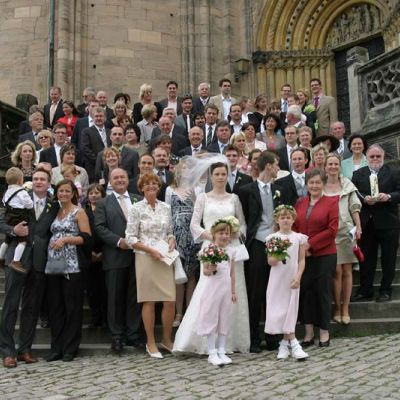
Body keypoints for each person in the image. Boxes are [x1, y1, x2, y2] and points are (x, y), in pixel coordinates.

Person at [174, 159, 250, 354]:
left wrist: (234, 234)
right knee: (209, 291)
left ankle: (229, 341)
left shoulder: (234, 198)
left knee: (232, 289)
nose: (220, 177)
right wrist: (213, 237)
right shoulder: (203, 198)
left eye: (223, 174)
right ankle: (204, 341)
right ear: (211, 176)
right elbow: (194, 225)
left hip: (231, 249)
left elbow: (242, 224)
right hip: (211, 249)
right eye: (217, 174)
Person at [0, 169, 59, 368]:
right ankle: (7, 351)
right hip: (17, 258)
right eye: (35, 179)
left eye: (42, 179)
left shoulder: (54, 204)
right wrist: (12, 230)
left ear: (49, 183)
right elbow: (2, 220)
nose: (38, 182)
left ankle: (24, 349)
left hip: (40, 261)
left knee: (31, 307)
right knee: (10, 305)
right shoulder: (19, 197)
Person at [238, 151, 287, 353]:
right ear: (268, 166)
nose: (278, 168)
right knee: (256, 291)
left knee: (274, 290)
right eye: (276, 165)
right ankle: (254, 338)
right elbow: (244, 218)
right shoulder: (246, 190)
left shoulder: (280, 189)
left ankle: (273, 337)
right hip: (257, 244)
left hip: (276, 242)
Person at [125, 172, 176, 358]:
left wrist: (171, 240)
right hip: (145, 257)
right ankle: (151, 342)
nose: (151, 186)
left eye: (155, 183)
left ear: (159, 187)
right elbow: (130, 238)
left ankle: (167, 340)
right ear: (141, 188)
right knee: (149, 300)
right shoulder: (136, 208)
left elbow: (170, 231)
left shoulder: (166, 207)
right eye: (147, 184)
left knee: (170, 300)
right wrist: (150, 250)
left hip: (164, 257)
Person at [95, 168, 144, 352]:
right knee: (115, 297)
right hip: (115, 255)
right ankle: (117, 336)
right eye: (116, 178)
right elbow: (100, 227)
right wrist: (118, 241)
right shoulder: (103, 203)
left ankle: (133, 334)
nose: (120, 180)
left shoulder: (139, 199)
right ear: (110, 181)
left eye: (122, 176)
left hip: (138, 256)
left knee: (134, 297)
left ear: (128, 179)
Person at [45, 179, 92, 362]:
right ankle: (56, 348)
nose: (63, 194)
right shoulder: (55, 211)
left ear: (73, 193)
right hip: (54, 265)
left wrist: (66, 240)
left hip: (73, 266)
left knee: (72, 307)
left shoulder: (79, 212)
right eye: (61, 191)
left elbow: (86, 237)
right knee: (55, 307)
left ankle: (70, 348)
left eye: (67, 191)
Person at [293, 168, 339, 348]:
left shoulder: (331, 202)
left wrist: (310, 244)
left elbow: (332, 230)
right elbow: (295, 225)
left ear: (323, 184)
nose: (314, 186)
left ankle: (324, 331)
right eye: (311, 182)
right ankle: (309, 333)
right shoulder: (300, 203)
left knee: (322, 292)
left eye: (318, 182)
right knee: (306, 293)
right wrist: (300, 245)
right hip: (303, 256)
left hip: (324, 254)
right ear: (306, 184)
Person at [352, 144, 400, 302]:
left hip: (388, 222)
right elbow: (354, 194)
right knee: (366, 259)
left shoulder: (394, 172)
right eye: (372, 156)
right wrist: (364, 199)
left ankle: (385, 290)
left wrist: (389, 196)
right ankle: (365, 290)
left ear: (383, 157)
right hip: (367, 223)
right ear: (366, 158)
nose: (375, 159)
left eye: (378, 156)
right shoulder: (358, 174)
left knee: (388, 258)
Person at [265, 205, 309, 360]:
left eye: (288, 217)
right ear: (277, 220)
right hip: (277, 279)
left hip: (292, 278)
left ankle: (285, 345)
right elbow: (271, 262)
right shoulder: (272, 238)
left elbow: (301, 260)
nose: (285, 220)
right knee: (279, 309)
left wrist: (298, 277)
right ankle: (293, 343)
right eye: (282, 218)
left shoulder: (299, 238)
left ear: (293, 220)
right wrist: (278, 253)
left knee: (290, 309)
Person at [324, 153, 361, 324]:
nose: (333, 167)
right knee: (336, 271)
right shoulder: (320, 184)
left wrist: (358, 226)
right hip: (329, 233)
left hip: (346, 232)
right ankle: (337, 308)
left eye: (335, 164)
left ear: (340, 166)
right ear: (325, 167)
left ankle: (345, 308)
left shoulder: (347, 183)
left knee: (347, 271)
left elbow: (354, 207)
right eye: (330, 164)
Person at [165, 160, 200, 327]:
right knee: (179, 275)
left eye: (187, 168)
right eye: (181, 168)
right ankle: (178, 313)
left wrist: (193, 195)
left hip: (191, 233)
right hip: (177, 234)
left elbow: (199, 210)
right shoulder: (169, 189)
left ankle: (190, 313)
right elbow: (167, 212)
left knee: (191, 274)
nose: (184, 171)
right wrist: (170, 235)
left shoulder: (196, 188)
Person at [197, 220, 237, 366]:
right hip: (213, 288)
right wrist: (211, 268)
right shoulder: (209, 250)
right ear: (214, 234)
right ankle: (211, 352)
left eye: (227, 233)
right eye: (221, 233)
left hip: (225, 289)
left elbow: (232, 273)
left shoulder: (231, 251)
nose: (224, 236)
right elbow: (205, 272)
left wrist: (233, 291)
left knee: (223, 317)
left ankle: (221, 350)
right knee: (211, 317)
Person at [0, 167, 34, 273]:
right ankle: (16, 261)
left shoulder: (7, 191)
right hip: (19, 218)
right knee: (23, 240)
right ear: (20, 180)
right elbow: (29, 205)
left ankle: (1, 258)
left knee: (7, 240)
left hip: (9, 217)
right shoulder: (22, 192)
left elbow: (4, 202)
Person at [82, 183, 107, 328]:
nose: (94, 195)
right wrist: (90, 252)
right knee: (91, 289)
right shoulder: (84, 212)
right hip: (89, 255)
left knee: (105, 288)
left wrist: (103, 252)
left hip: (105, 254)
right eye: (91, 193)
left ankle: (105, 318)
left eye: (97, 193)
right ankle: (95, 317)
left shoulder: (107, 210)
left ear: (102, 195)